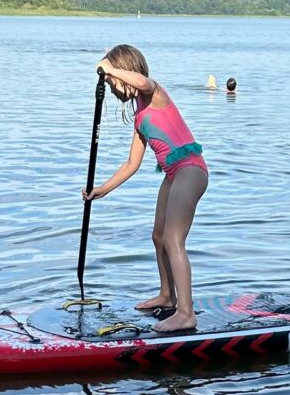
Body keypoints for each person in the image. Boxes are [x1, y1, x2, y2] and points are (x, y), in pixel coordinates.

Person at [83, 44, 208, 333]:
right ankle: (167, 295)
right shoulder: (140, 118)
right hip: (172, 174)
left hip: (190, 170)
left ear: (127, 72)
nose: (113, 88)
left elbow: (141, 82)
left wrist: (109, 68)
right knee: (158, 236)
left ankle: (186, 313)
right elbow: (131, 163)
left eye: (114, 82)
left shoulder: (154, 93)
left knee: (174, 238)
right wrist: (103, 189)